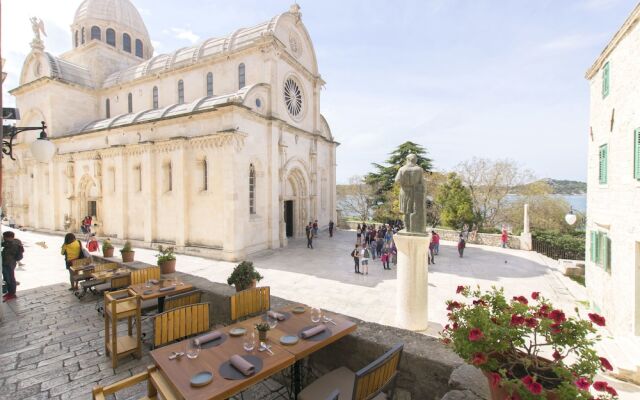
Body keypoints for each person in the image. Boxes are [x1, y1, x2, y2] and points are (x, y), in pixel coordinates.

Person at [2, 231, 23, 302]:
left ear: (9, 237)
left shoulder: (13, 244)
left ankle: (12, 294)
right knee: (7, 279)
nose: (4, 238)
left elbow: (8, 250)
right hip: (7, 263)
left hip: (9, 263)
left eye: (5, 237)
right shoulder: (11, 242)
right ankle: (9, 293)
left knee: (10, 279)